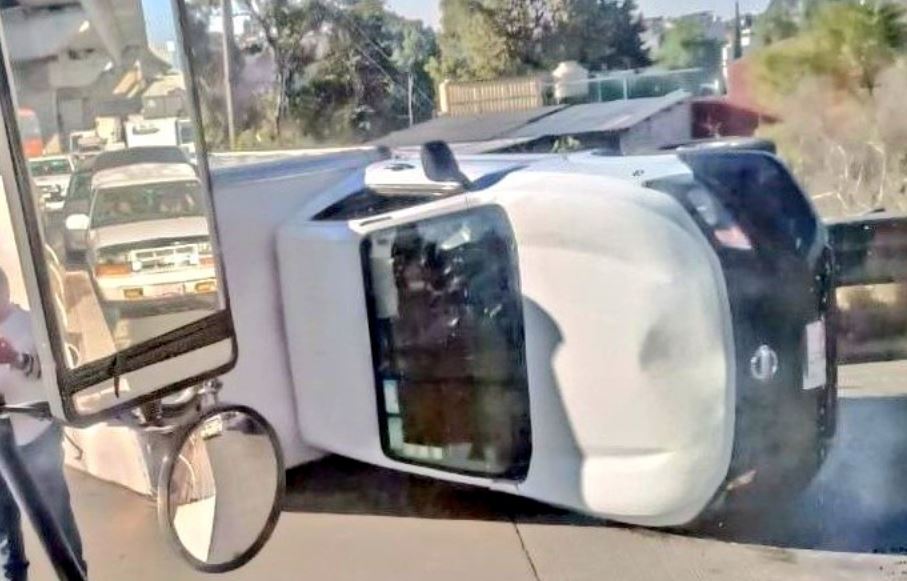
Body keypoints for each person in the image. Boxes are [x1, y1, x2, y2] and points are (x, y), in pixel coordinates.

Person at [0, 267, 85, 580]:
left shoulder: (33, 322)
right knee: (6, 538)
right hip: (0, 451)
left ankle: (76, 575)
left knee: (59, 522)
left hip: (37, 438)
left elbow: (53, 376)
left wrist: (16, 359)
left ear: (5, 292)